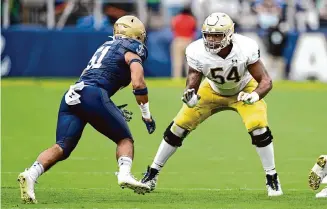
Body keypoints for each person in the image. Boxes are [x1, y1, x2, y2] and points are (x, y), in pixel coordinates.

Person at [141, 12, 283, 197]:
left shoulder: (245, 47)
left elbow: (265, 81)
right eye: (208, 34)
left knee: (258, 127)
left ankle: (272, 177)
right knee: (178, 126)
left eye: (217, 35)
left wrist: (254, 96)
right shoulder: (196, 50)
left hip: (244, 89)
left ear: (229, 34)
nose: (212, 39)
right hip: (212, 90)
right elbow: (193, 78)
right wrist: (189, 94)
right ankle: (152, 173)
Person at [17, 15, 156, 203]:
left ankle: (30, 174)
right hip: (93, 95)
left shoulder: (104, 47)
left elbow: (90, 77)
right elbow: (138, 83)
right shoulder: (132, 50)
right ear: (137, 36)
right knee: (125, 139)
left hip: (73, 94)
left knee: (62, 146)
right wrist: (146, 115)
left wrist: (104, 106)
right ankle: (124, 174)